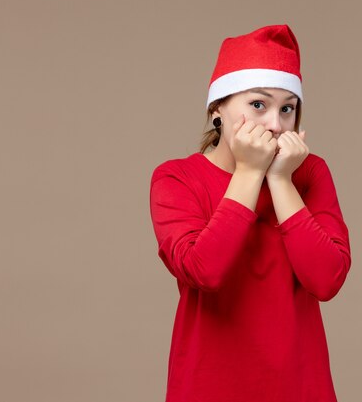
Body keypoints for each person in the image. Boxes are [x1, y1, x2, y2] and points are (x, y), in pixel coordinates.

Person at [149, 24, 351, 402]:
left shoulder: (309, 173)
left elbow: (327, 279)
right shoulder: (176, 178)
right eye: (258, 105)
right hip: (208, 385)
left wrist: (281, 181)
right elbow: (204, 270)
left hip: (300, 385)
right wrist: (249, 172)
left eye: (287, 108)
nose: (275, 124)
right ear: (218, 109)